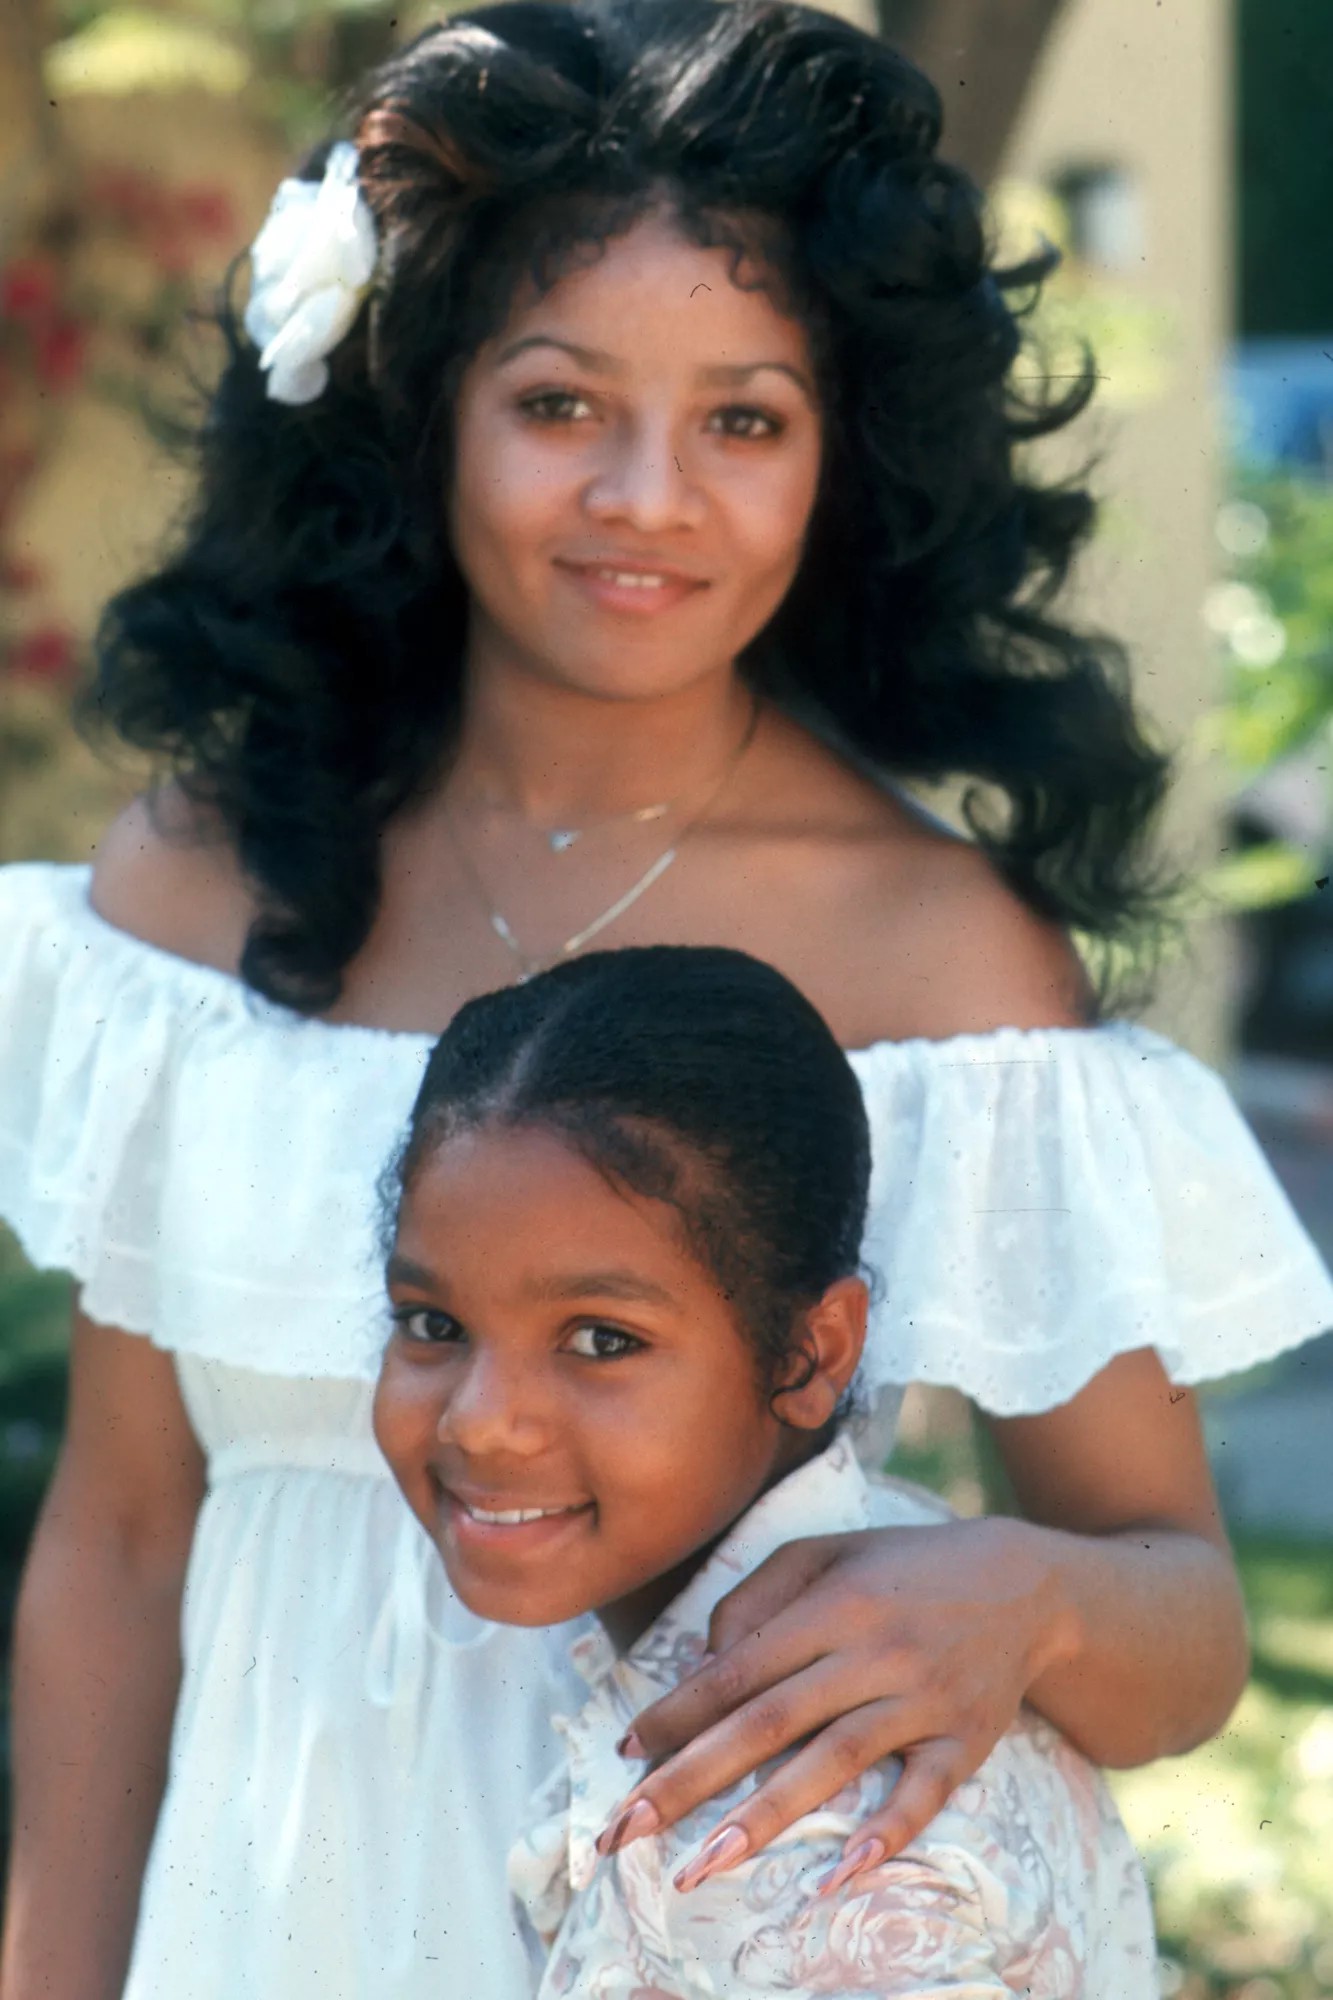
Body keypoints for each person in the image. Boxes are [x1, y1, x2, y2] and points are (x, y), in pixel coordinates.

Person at [1, 2, 1330, 1995]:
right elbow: (113, 1545)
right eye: (560, 404)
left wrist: (1023, 1598)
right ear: (425, 400)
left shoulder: (937, 957)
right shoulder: (202, 895)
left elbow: (1184, 1636)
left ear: (839, 454)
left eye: (743, 417)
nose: (648, 495)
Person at [373, 942, 1158, 1996]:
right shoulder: (913, 1562)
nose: (481, 1422)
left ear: (811, 1352)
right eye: (433, 1323)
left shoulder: (793, 1844)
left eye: (601, 1338)